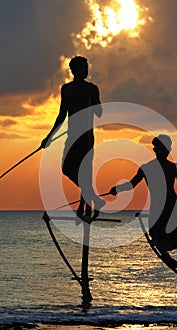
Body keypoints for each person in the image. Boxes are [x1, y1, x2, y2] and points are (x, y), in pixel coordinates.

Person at [109, 134, 177, 269]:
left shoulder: (174, 167)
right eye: (161, 149)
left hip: (174, 204)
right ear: (155, 150)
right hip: (159, 208)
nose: (164, 152)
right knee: (161, 231)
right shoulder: (147, 168)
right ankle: (165, 252)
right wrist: (117, 188)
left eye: (166, 149)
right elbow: (132, 184)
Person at [41, 56, 105, 220]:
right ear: (74, 70)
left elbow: (99, 113)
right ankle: (93, 200)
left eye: (86, 68)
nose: (86, 71)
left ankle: (85, 207)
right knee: (67, 168)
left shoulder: (92, 89)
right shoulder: (66, 89)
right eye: (83, 68)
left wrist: (92, 101)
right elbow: (62, 115)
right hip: (72, 136)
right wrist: (49, 137)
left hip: (86, 137)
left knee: (85, 171)